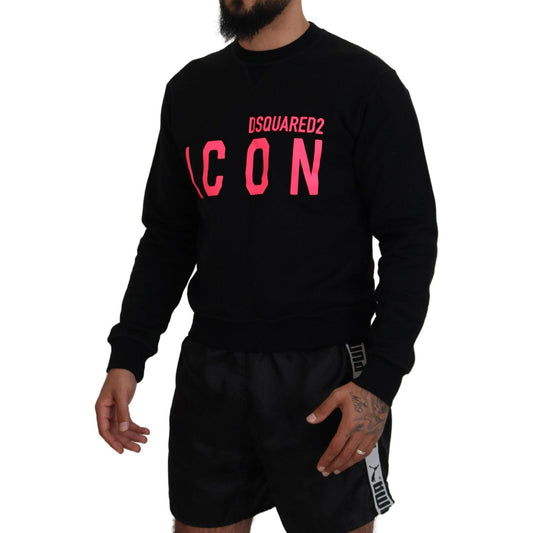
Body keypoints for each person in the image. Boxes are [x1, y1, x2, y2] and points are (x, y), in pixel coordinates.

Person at [95, 1, 438, 532]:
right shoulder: (191, 90)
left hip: (327, 376)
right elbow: (167, 238)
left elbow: (410, 239)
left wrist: (379, 382)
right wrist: (127, 356)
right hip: (212, 370)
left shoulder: (364, 83)